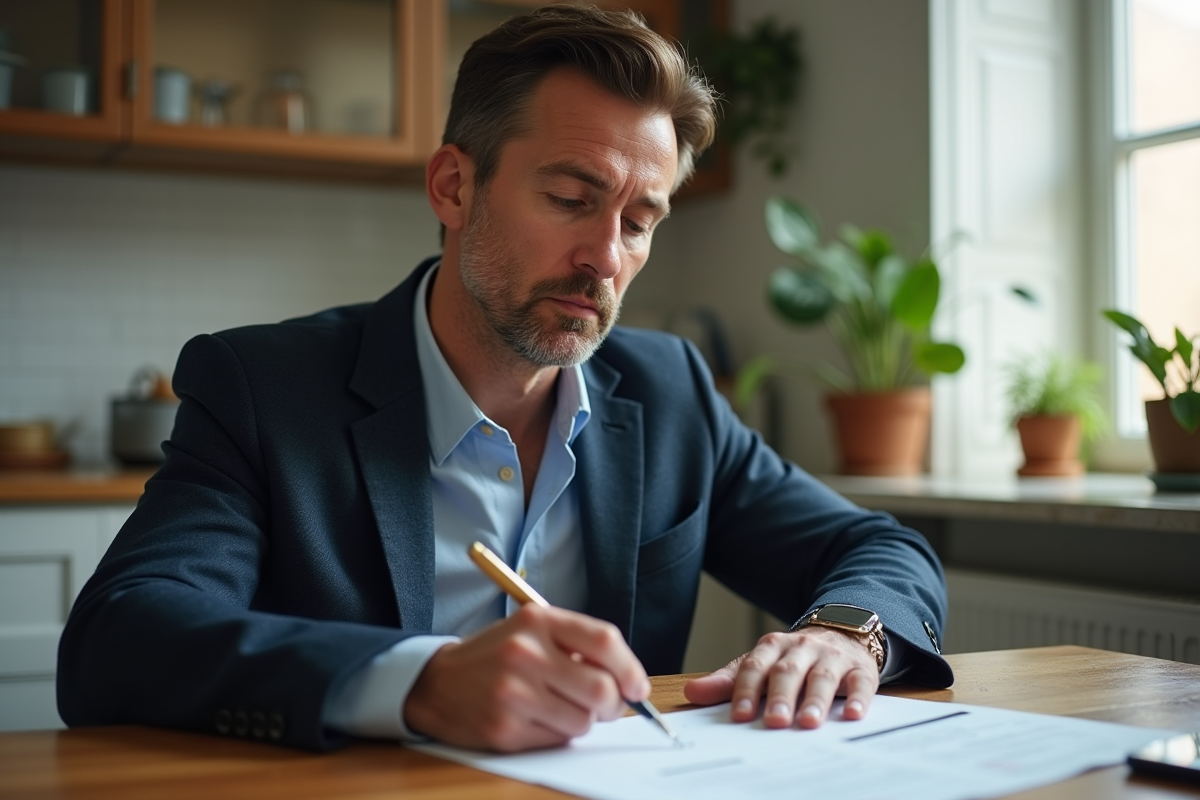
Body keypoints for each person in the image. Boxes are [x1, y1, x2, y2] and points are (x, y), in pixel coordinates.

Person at [58, 5, 952, 753]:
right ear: (454, 186)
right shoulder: (264, 387)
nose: (606, 258)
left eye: (639, 221)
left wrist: (847, 634)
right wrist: (420, 682)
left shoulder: (669, 387)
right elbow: (121, 636)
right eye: (570, 199)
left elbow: (884, 551)